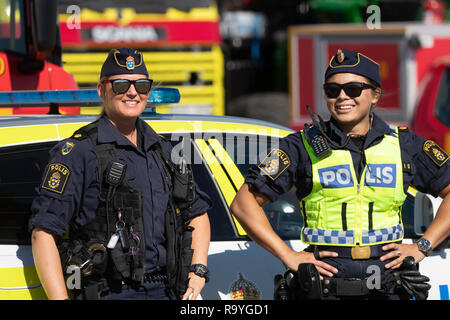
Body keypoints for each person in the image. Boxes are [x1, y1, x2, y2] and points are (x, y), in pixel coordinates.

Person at [231, 48, 450, 300]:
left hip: (388, 286)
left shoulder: (405, 144)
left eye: (354, 89)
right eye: (332, 90)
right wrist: (288, 255)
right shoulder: (300, 146)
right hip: (323, 288)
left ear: (376, 95)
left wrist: (422, 246)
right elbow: (243, 203)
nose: (342, 96)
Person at [29, 48, 212, 300]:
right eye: (121, 85)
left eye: (142, 85)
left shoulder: (162, 149)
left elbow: (197, 212)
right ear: (101, 90)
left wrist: (198, 270)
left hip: (167, 290)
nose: (133, 92)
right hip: (110, 291)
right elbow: (44, 232)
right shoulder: (79, 152)